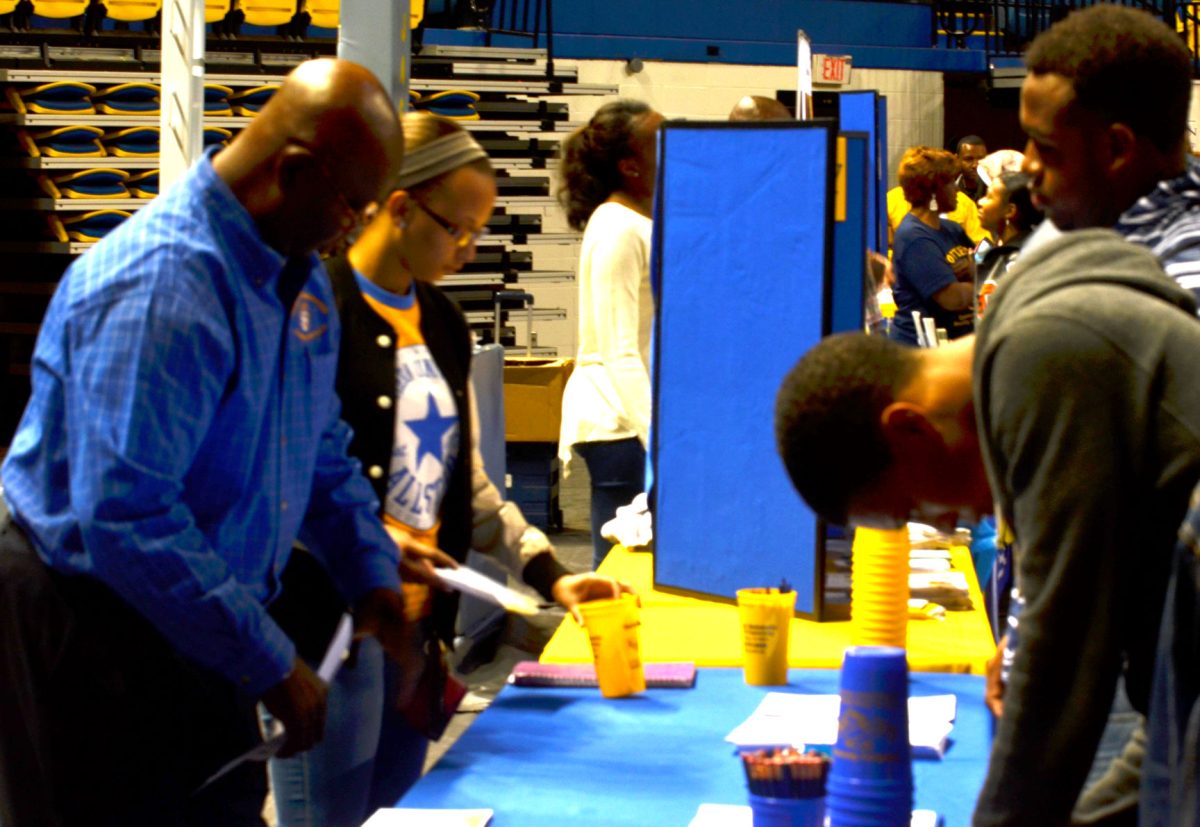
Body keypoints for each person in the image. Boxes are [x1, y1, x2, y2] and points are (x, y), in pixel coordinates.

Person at [0, 58, 425, 826]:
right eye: (351, 207)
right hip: (91, 628)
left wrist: (370, 573)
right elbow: (127, 518)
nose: (353, 230)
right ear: (291, 173)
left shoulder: (296, 282)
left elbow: (319, 447)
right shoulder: (163, 287)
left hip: (194, 618)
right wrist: (267, 658)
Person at [266, 111, 634, 827]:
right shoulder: (318, 312)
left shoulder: (443, 322)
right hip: (333, 632)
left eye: (478, 232)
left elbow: (465, 482)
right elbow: (286, 485)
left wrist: (547, 572)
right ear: (399, 207)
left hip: (418, 632)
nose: (468, 249)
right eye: (457, 229)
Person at [774, 228, 1200, 826]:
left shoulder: (1044, 363)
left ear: (911, 430)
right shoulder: (1034, 339)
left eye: (919, 513)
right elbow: (1168, 736)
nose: (949, 524)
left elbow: (1062, 670)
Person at [1020, 4, 1200, 303]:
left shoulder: (1184, 271)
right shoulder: (1075, 221)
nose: (1027, 163)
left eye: (1046, 147)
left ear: (1117, 149)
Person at [557, 99, 665, 567]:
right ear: (630, 166)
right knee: (621, 568)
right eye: (660, 142)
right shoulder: (616, 228)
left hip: (632, 420)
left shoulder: (642, 220)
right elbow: (619, 350)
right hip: (618, 424)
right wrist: (660, 435)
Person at [888, 146, 976, 346]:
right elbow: (952, 298)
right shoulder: (914, 237)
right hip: (921, 349)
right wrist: (983, 285)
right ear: (934, 191)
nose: (957, 190)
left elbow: (984, 263)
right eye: (951, 183)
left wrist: (975, 270)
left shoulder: (952, 229)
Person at [975, 170, 1043, 315]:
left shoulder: (1019, 259)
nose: (980, 202)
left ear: (1010, 211)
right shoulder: (1005, 250)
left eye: (989, 196)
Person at [956, 134, 989, 203]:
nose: (975, 165)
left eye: (981, 159)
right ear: (957, 160)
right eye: (969, 159)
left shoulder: (995, 192)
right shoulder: (950, 192)